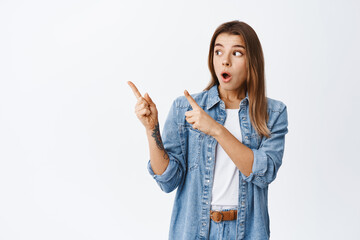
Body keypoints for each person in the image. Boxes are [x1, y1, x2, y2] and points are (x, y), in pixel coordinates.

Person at [128, 20, 289, 240]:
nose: (225, 61)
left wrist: (216, 129)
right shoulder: (184, 107)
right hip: (196, 231)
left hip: (247, 231)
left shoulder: (273, 113)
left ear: (252, 61)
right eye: (219, 51)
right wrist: (151, 129)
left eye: (237, 53)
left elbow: (264, 174)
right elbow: (167, 181)